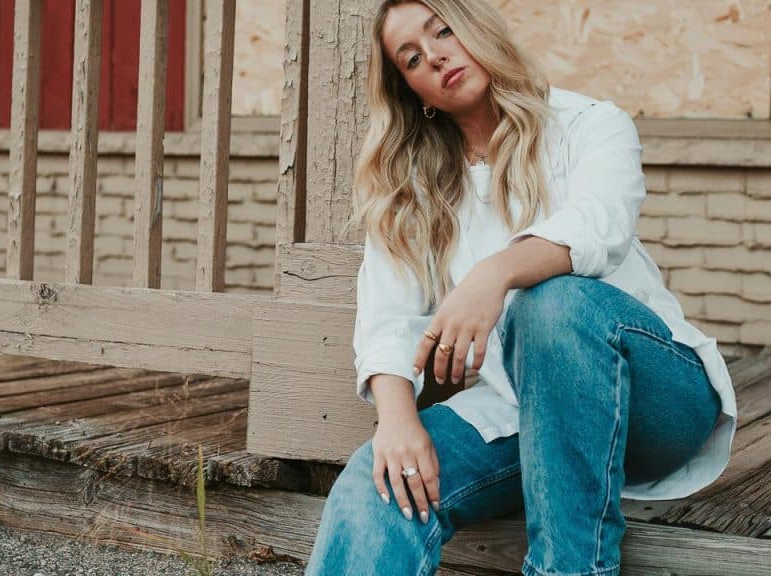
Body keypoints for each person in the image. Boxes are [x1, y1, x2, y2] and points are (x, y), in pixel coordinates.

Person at [305, 1, 737, 574]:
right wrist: (396, 420)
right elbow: (387, 316)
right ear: (416, 94)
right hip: (520, 411)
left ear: (477, 29)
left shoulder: (587, 124)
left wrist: (495, 274)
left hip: (655, 402)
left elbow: (599, 225)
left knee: (551, 304)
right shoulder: (414, 189)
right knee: (380, 480)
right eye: (413, 58)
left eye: (444, 31)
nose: (435, 55)